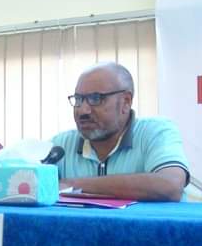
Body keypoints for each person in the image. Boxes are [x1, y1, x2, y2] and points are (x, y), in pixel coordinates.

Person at [50, 62, 189, 201]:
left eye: (96, 98)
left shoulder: (156, 132)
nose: (82, 110)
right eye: (78, 99)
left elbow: (171, 185)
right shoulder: (61, 145)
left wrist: (73, 185)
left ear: (126, 102)